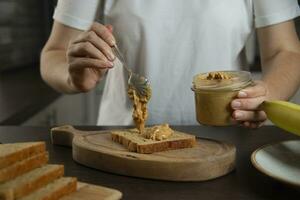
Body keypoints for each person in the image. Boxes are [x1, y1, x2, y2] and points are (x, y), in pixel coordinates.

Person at [41, 0, 300, 128]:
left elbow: (286, 51)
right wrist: (71, 74)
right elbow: (54, 53)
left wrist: (268, 94)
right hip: (122, 141)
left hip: (225, 141)